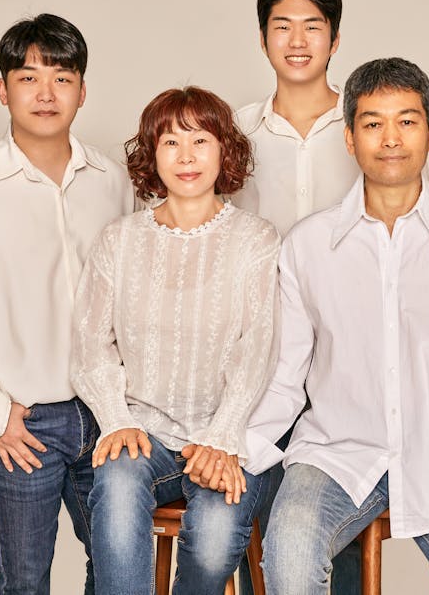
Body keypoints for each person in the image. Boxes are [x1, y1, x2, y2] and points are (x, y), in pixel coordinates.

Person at [245, 57, 429, 595]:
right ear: (349, 138)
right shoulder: (308, 246)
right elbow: (285, 376)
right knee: (287, 559)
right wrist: (239, 449)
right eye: (372, 123)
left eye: (407, 121)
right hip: (336, 456)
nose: (390, 139)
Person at [0, 13, 135, 594]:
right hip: (24, 423)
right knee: (22, 581)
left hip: (104, 414)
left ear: (83, 91)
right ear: (3, 89)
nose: (46, 93)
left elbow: (131, 300)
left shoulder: (112, 182)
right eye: (28, 76)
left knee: (118, 574)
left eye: (63, 78)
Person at [71, 86, 280, 595]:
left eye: (200, 140)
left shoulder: (257, 240)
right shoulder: (118, 241)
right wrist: (116, 420)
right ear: (151, 155)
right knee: (116, 486)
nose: (186, 157)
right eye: (169, 142)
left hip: (226, 438)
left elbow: (259, 348)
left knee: (212, 540)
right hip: (144, 431)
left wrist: (222, 437)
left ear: (225, 150)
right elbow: (90, 343)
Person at [235, 0, 362, 594]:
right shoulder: (232, 133)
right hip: (256, 358)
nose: (297, 40)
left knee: (327, 523)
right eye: (282, 26)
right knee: (253, 524)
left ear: (335, 40)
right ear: (263, 39)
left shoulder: (371, 130)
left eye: (313, 26)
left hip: (346, 359)